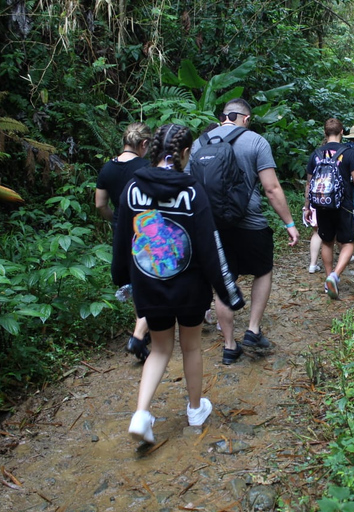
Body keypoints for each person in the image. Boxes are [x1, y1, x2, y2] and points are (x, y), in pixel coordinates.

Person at [111, 124, 245, 444]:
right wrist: (227, 291)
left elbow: (121, 240)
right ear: (185, 153)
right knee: (191, 346)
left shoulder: (132, 188)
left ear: (153, 149)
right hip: (189, 287)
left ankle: (142, 414)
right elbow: (209, 247)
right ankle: (196, 410)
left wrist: (122, 281)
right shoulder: (191, 191)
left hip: (149, 282)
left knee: (159, 349)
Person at [187, 98, 299, 365]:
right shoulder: (256, 142)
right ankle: (253, 329)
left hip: (212, 225)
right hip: (250, 222)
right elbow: (271, 189)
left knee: (223, 281)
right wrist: (290, 224)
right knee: (263, 270)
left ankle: (229, 345)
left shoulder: (198, 144)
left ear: (224, 115)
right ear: (246, 118)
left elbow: (188, 187)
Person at [95, 122, 152, 362]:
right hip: (146, 229)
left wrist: (115, 220)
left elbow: (100, 204)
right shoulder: (146, 167)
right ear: (144, 144)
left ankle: (142, 328)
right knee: (151, 279)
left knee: (133, 280)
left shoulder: (107, 169)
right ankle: (141, 334)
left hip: (121, 229)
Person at [304, 118, 354, 300]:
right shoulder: (350, 154)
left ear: (325, 132)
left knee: (327, 241)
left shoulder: (316, 154)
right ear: (342, 132)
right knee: (348, 242)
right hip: (344, 204)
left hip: (321, 204)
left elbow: (309, 183)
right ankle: (335, 275)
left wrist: (307, 207)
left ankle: (328, 278)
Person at [303, 205, 322, 273]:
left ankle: (312, 265)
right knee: (335, 231)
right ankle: (346, 256)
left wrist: (306, 207)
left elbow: (307, 194)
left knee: (316, 233)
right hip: (333, 205)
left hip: (316, 204)